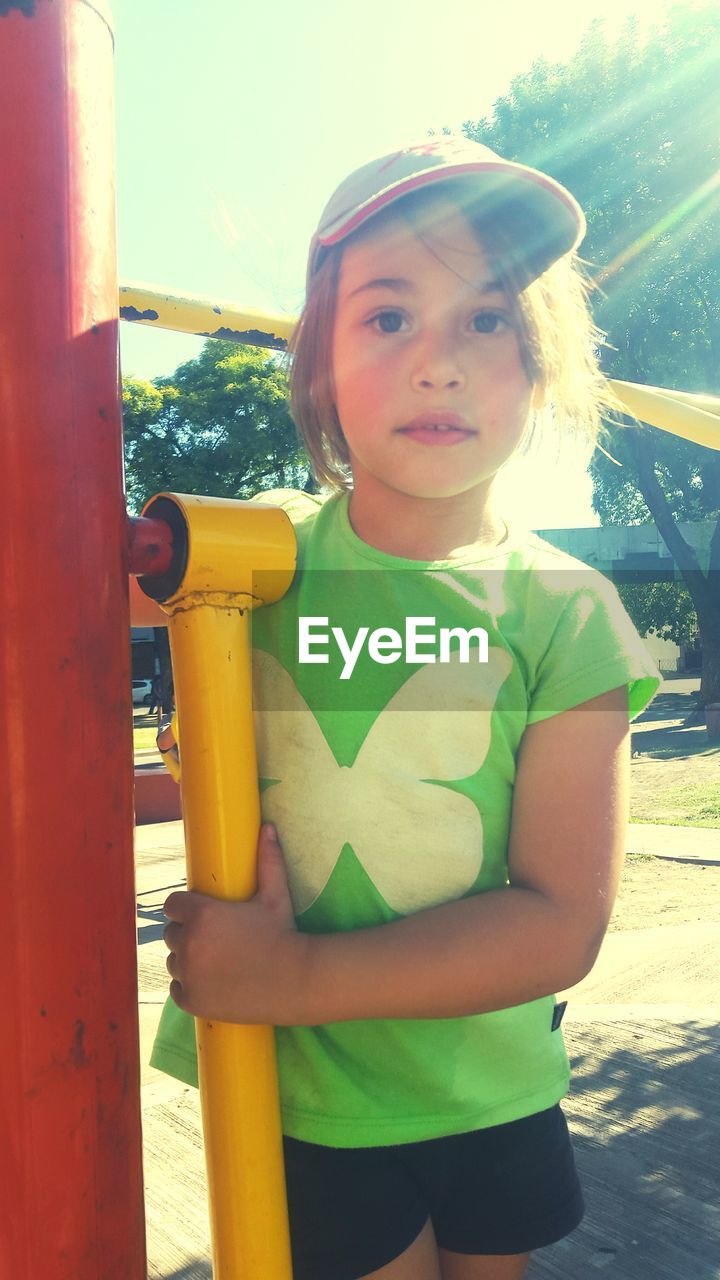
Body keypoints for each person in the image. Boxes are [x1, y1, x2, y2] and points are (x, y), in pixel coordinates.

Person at [151, 137, 660, 1280]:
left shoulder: (568, 613)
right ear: (319, 366)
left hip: (492, 1083)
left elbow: (557, 920)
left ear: (539, 370)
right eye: (388, 318)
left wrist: (289, 977)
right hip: (316, 1096)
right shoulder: (255, 560)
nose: (441, 364)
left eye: (486, 322)